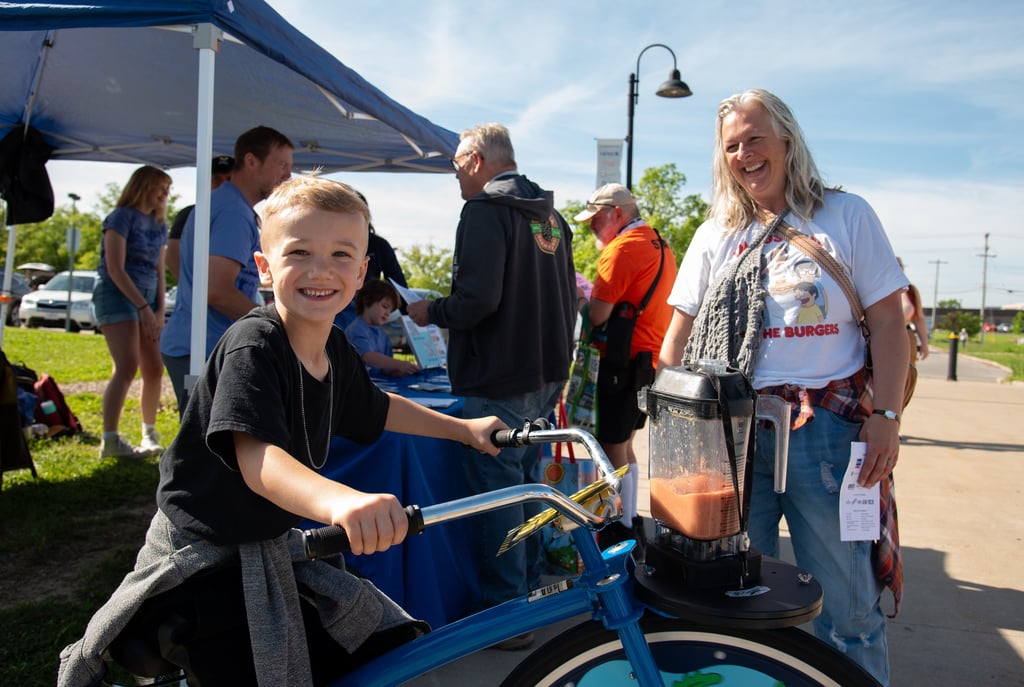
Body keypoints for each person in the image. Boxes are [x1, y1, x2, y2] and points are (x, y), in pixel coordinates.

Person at [58, 175, 507, 686]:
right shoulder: (255, 343)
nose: (321, 269)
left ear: (362, 273)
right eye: (299, 252)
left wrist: (464, 428)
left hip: (273, 546)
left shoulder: (334, 346)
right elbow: (258, 459)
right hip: (204, 561)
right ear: (265, 269)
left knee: (389, 647)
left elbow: (378, 408)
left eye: (341, 255)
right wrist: (340, 502)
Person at [658, 89, 907, 685]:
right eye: (732, 146)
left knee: (849, 610)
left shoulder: (846, 216)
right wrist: (676, 426)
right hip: (732, 439)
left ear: (787, 140)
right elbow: (674, 344)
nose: (745, 154)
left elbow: (890, 326)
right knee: (731, 601)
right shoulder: (715, 233)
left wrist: (888, 416)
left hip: (831, 435)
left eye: (755, 138)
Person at [406, 123, 576, 646]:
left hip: (498, 376)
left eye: (457, 164)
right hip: (544, 373)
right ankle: (525, 594)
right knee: (523, 485)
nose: (454, 174)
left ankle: (504, 614)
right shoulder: (550, 216)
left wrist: (427, 309)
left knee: (497, 495)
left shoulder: (484, 212)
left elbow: (477, 300)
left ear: (477, 160)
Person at [161, 126, 294, 415]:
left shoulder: (226, 203)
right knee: (207, 452)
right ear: (250, 161)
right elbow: (216, 291)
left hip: (199, 343)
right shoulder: (233, 212)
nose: (287, 176)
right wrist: (278, 327)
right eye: (281, 165)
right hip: (202, 347)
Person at [571, 183, 676, 547]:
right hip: (646, 362)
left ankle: (620, 530)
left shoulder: (621, 250)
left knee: (610, 447)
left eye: (595, 221)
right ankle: (631, 521)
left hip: (619, 361)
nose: (591, 229)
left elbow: (598, 315)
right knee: (625, 445)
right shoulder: (660, 245)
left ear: (616, 214)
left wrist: (580, 301)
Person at [92, 165, 171, 457]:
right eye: (161, 186)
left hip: (148, 299)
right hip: (117, 295)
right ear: (144, 185)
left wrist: (159, 308)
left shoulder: (159, 223)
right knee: (126, 366)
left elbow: (159, 269)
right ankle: (109, 440)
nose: (165, 193)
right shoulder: (120, 218)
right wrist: (142, 307)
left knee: (153, 368)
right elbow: (114, 268)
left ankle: (149, 433)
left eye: (168, 188)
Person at [333, 190, 408, 330]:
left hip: (363, 316)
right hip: (332, 311)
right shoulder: (327, 242)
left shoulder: (379, 246)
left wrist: (410, 317)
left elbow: (399, 287)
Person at [165, 154, 234, 280]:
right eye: (217, 179)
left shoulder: (242, 215)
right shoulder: (190, 214)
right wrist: (197, 290)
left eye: (229, 179)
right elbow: (172, 257)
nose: (223, 185)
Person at [344, 278, 419, 377]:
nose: (388, 313)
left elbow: (385, 368)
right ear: (367, 301)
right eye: (384, 306)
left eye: (391, 311)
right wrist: (399, 364)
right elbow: (368, 357)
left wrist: (397, 371)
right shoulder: (356, 330)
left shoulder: (384, 336)